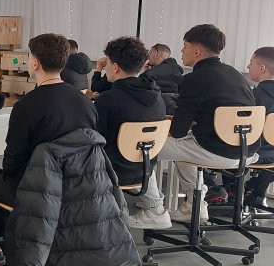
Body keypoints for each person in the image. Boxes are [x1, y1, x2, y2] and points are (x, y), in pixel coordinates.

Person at [0, 34, 96, 265]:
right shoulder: (86, 103)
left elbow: (12, 164)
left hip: (34, 189)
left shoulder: (26, 106)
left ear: (35, 63)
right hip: (77, 187)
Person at [158, 24, 258, 223]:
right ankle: (195, 205)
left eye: (184, 46)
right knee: (186, 146)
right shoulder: (236, 75)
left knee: (145, 148)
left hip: (218, 151)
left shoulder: (195, 78)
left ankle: (151, 206)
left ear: (196, 50)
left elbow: (177, 131)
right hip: (246, 152)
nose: (181, 51)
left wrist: (170, 123)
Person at [93, 37, 170, 229]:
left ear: (116, 67)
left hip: (110, 172)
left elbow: (93, 141)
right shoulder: (157, 99)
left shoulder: (108, 100)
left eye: (108, 63)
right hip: (143, 170)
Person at [244, 47, 274, 203]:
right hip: (272, 156)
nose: (248, 66)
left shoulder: (254, 97)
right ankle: (256, 193)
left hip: (256, 154)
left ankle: (232, 193)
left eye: (250, 63)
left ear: (262, 68)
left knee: (231, 146)